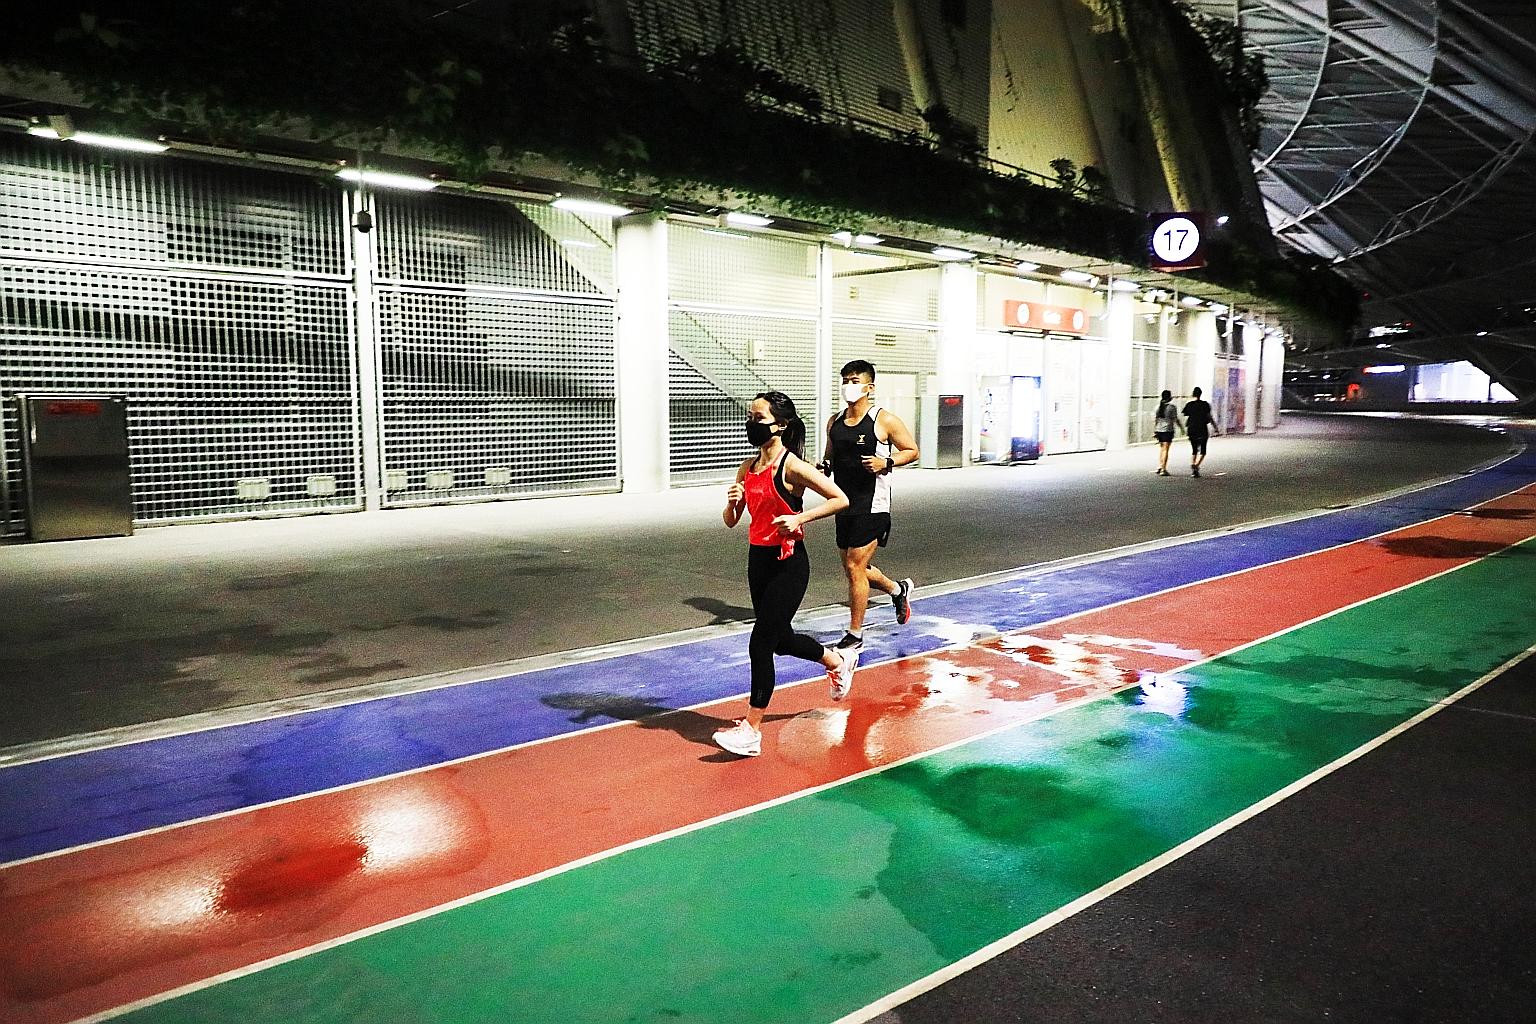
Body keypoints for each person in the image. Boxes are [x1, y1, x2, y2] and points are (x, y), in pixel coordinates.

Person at [714, 391, 857, 758]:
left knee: (760, 644)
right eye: (750, 416)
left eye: (759, 418)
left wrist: (799, 518)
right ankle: (835, 660)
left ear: (780, 425)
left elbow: (840, 499)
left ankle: (752, 730)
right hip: (757, 561)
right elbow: (732, 522)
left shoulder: (792, 467)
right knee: (779, 640)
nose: (751, 423)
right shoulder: (748, 468)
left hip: (789, 564)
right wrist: (732, 503)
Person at [821, 359, 920, 655]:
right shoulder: (834, 421)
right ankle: (897, 589)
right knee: (854, 568)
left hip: (873, 504)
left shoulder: (884, 420)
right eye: (845, 380)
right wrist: (824, 466)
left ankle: (855, 634)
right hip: (843, 502)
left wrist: (886, 462)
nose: (848, 386)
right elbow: (830, 456)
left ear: (869, 387)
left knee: (854, 566)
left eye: (854, 380)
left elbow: (912, 450)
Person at [1181, 386, 1220, 477]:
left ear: (1193, 394)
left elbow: (1185, 414)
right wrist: (1215, 427)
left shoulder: (1189, 404)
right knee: (1203, 451)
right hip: (1202, 428)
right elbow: (1209, 417)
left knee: (1194, 450)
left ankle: (1193, 463)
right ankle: (1196, 466)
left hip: (1191, 428)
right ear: (1200, 394)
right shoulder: (1205, 404)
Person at [1152, 389, 1182, 476]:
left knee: (1162, 449)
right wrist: (1181, 428)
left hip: (1159, 430)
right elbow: (1175, 419)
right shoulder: (1172, 407)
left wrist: (1154, 430)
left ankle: (1160, 466)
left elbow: (1155, 419)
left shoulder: (1157, 407)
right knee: (1166, 449)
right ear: (1170, 397)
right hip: (1168, 430)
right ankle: (1163, 469)